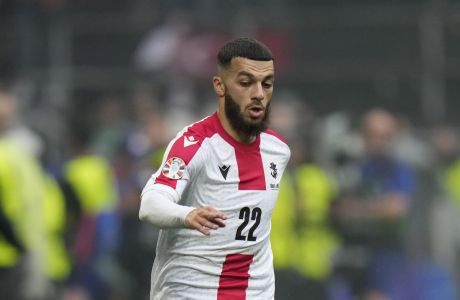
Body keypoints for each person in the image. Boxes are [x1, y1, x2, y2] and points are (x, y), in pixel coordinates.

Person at [139, 37, 290, 300]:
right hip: (189, 292)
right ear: (220, 86)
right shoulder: (194, 144)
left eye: (267, 84)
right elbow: (151, 204)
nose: (258, 94)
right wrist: (187, 215)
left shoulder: (278, 150)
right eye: (245, 83)